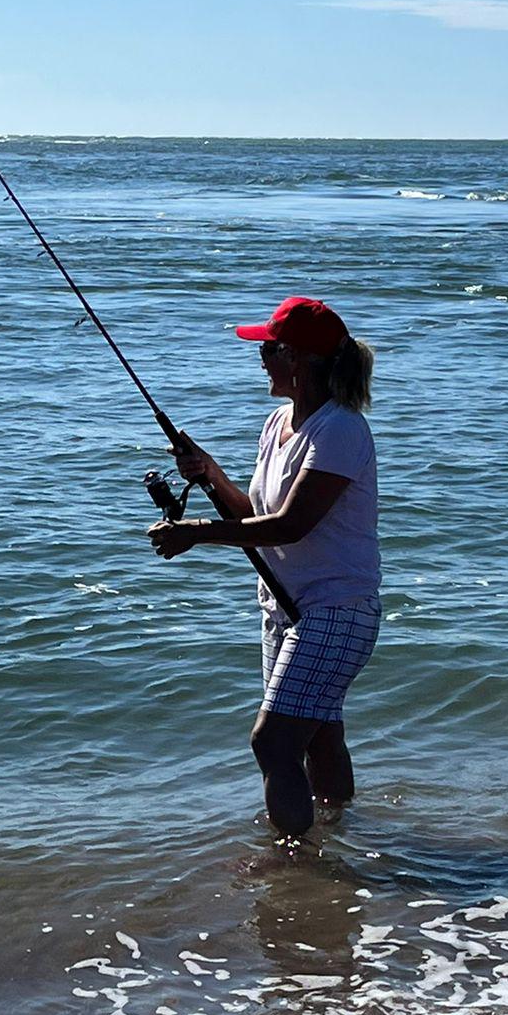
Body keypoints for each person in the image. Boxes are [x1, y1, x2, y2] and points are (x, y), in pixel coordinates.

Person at [148, 296, 380, 838]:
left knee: (272, 741)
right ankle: (338, 834)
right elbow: (257, 514)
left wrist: (195, 535)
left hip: (337, 609)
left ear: (298, 359)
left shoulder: (340, 430)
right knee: (318, 731)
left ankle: (295, 864)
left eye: (269, 349)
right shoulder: (279, 423)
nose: (261, 358)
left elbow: (290, 525)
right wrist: (210, 473)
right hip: (287, 607)